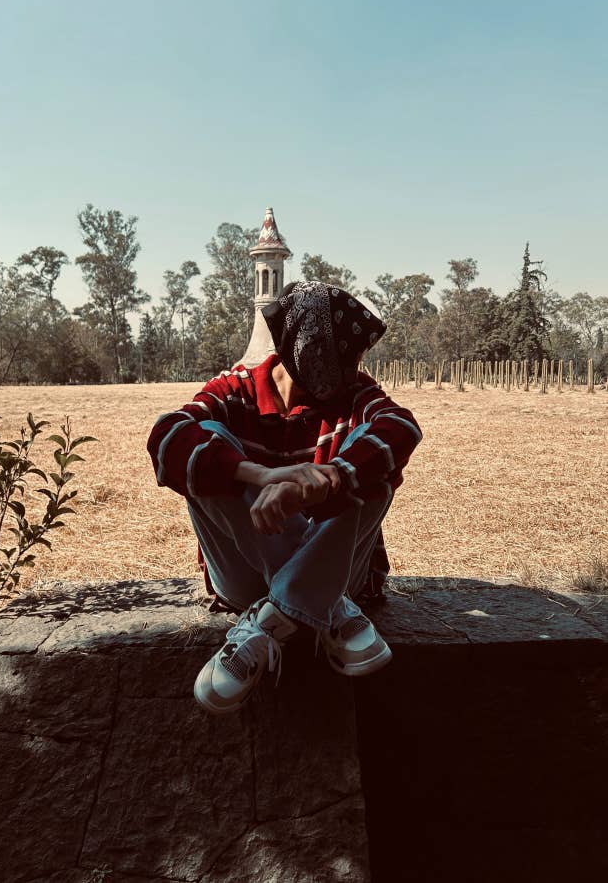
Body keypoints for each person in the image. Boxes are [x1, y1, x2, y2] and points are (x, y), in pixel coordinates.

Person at [146, 281, 423, 714]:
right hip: (250, 575)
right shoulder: (234, 390)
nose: (352, 370)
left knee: (371, 454)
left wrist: (331, 476)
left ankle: (275, 619)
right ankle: (325, 603)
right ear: (307, 350)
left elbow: (402, 428)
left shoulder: (354, 395)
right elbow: (165, 438)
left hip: (340, 571)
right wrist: (261, 475)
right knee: (208, 439)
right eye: (342, 356)